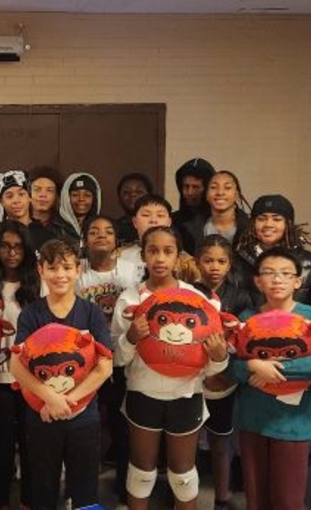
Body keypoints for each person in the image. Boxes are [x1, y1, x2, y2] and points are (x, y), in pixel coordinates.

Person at [111, 226, 228, 510]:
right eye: (153, 251)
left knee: (183, 474)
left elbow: (214, 367)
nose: (160, 258)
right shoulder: (129, 300)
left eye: (168, 251)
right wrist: (131, 338)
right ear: (143, 256)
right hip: (142, 393)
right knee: (141, 470)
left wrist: (219, 356)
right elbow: (117, 359)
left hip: (186, 395)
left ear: (178, 257)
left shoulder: (200, 301)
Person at [229, 247, 311, 510]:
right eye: (269, 273)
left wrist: (271, 370)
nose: (277, 279)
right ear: (258, 281)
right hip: (252, 420)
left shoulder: (310, 316)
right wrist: (252, 365)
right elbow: (231, 365)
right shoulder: (247, 318)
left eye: (285, 274)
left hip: (293, 423)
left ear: (297, 281)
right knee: (256, 497)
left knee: (288, 499)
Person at [10, 238, 113, 510]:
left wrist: (69, 401)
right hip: (41, 414)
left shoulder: (91, 313)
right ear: (41, 270)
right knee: (43, 485)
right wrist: (49, 399)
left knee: (85, 487)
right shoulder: (31, 314)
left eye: (67, 267)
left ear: (78, 270)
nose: (60, 275)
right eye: (53, 268)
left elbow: (105, 365)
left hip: (84, 417)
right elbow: (16, 365)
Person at [75, 214, 137, 507]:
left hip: (123, 356)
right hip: (87, 359)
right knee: (87, 423)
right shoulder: (77, 272)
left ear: (116, 240)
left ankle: (125, 487)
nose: (101, 235)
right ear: (85, 239)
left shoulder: (132, 271)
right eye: (94, 231)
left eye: (108, 231)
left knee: (122, 424)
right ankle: (83, 485)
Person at [0, 220, 40, 510]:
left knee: (30, 442)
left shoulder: (36, 285)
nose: (12, 252)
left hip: (32, 377)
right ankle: (1, 500)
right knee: (1, 442)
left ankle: (28, 499)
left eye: (18, 246)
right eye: (5, 246)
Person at [193, 235, 253, 510]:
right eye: (208, 260)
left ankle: (222, 495)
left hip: (223, 379)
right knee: (188, 437)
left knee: (221, 437)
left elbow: (244, 338)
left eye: (221, 261)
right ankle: (185, 492)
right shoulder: (188, 291)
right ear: (197, 262)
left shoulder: (240, 295)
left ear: (230, 265)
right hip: (190, 375)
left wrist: (223, 355)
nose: (214, 267)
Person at [234, 195, 311, 339]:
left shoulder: (310, 263)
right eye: (262, 218)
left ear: (288, 224)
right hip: (251, 345)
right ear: (253, 223)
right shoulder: (236, 261)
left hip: (297, 345)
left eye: (277, 219)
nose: (268, 224)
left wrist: (310, 345)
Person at [116, 194, 201, 287]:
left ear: (169, 222)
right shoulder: (118, 255)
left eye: (160, 215)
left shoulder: (186, 263)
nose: (153, 220)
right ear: (135, 222)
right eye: (146, 215)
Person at [177, 171, 251, 255]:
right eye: (213, 187)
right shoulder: (188, 230)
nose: (220, 193)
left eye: (227, 188)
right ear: (207, 195)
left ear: (236, 195)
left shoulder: (251, 229)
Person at [26, 166, 77, 250]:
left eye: (49, 190)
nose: (43, 195)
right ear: (29, 193)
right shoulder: (19, 223)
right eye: (37, 189)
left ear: (57, 196)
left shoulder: (65, 227)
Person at [172, 158, 216, 226]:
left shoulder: (219, 220)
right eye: (186, 186)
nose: (190, 192)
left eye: (196, 187)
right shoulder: (172, 221)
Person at [59, 172, 101, 240]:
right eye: (75, 195)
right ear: (66, 198)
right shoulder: (54, 227)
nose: (81, 199)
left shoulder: (101, 227)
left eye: (87, 195)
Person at [115, 173, 154, 246]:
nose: (133, 194)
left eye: (139, 191)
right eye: (126, 192)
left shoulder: (159, 225)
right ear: (119, 199)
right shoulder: (112, 228)